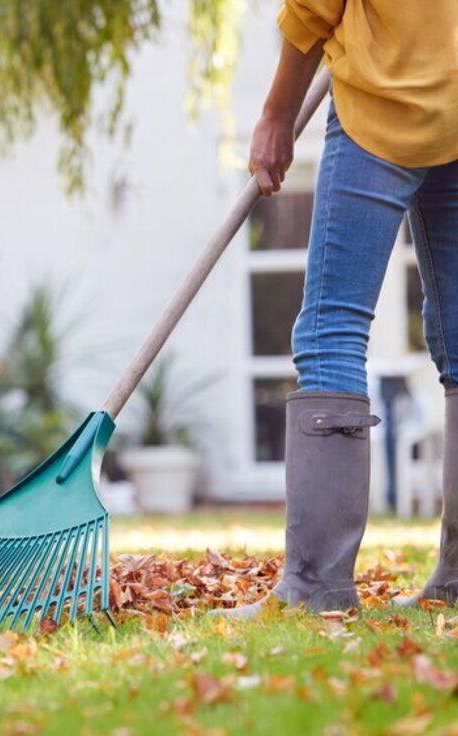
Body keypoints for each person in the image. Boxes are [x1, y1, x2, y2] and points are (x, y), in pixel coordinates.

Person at [220, 0, 458, 616]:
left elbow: (311, 8)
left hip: (380, 110)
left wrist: (275, 115)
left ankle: (314, 586)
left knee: (331, 331)